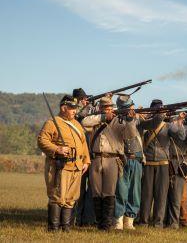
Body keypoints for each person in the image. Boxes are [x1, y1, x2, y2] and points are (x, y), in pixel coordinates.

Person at [38, 95, 91, 232]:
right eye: (72, 108)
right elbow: (42, 141)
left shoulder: (77, 124)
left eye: (75, 108)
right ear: (63, 108)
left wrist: (86, 161)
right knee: (57, 197)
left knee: (71, 198)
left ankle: (66, 227)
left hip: (77, 167)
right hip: (60, 166)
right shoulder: (52, 122)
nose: (75, 111)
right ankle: (54, 228)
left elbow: (83, 144)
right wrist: (57, 149)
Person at [113, 95, 163, 230]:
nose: (132, 109)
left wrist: (159, 115)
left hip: (137, 159)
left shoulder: (138, 119)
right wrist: (129, 119)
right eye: (130, 107)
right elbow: (128, 133)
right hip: (122, 159)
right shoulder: (116, 120)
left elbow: (152, 124)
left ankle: (129, 220)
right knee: (121, 191)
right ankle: (118, 219)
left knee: (134, 192)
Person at [139, 99, 186, 228]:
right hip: (148, 162)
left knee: (161, 195)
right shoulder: (146, 122)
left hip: (163, 163)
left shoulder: (168, 125)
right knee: (146, 195)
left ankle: (158, 223)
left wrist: (179, 122)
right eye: (157, 110)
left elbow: (181, 137)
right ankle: (143, 221)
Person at [80, 95, 125, 230]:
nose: (108, 110)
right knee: (96, 193)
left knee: (109, 193)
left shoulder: (118, 121)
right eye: (105, 108)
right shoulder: (96, 120)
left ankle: (106, 224)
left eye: (109, 108)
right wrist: (103, 117)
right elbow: (84, 122)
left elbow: (129, 133)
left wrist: (128, 119)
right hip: (96, 159)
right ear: (100, 108)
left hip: (112, 159)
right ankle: (100, 222)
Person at [165, 115, 187, 229]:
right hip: (165, 161)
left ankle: (173, 223)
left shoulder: (185, 129)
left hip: (179, 164)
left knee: (176, 197)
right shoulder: (167, 126)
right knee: (163, 196)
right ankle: (165, 220)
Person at [72, 88, 96, 227]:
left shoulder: (88, 110)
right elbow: (79, 116)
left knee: (92, 189)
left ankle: (87, 219)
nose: (84, 100)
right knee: (78, 190)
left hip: (91, 155)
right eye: (81, 99)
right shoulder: (74, 111)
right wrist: (85, 105)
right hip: (79, 157)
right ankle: (76, 218)